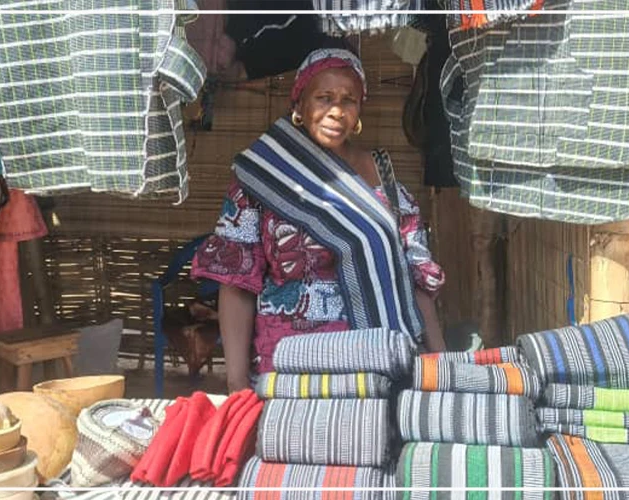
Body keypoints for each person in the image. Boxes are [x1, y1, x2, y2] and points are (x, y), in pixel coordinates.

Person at [191, 48, 447, 393]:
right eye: (323, 98)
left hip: (371, 369)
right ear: (299, 105)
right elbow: (237, 283)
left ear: (360, 110)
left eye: (348, 100)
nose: (336, 112)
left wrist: (441, 366)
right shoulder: (263, 179)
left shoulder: (384, 182)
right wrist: (237, 382)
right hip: (288, 370)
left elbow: (416, 280)